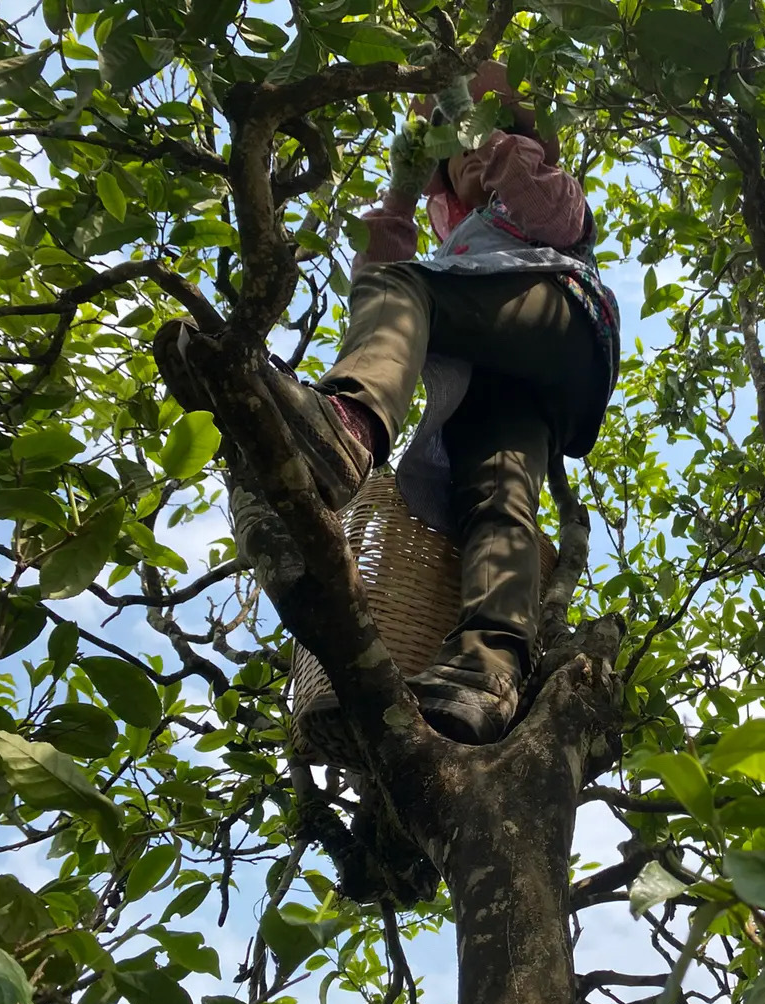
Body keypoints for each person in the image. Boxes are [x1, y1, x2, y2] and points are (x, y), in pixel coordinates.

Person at [206, 60, 620, 753]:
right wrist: (401, 197)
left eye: (470, 141)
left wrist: (484, 129)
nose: (462, 157)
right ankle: (489, 671)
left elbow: (546, 211)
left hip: (560, 322)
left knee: (407, 289)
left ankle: (353, 421)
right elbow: (371, 275)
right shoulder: (457, 239)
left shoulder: (533, 186)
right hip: (513, 383)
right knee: (496, 497)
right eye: (449, 153)